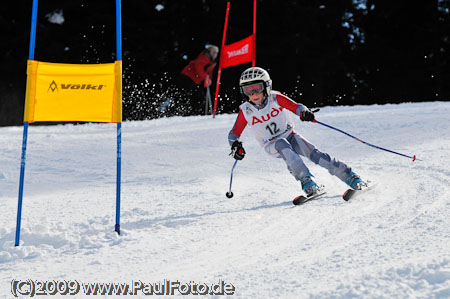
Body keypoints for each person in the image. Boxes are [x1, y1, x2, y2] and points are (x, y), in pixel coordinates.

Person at [227, 67, 367, 197]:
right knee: (282, 144)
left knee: (314, 154)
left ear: (266, 86)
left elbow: (295, 106)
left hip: (291, 136)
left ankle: (351, 176)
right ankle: (307, 182)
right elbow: (234, 133)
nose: (253, 94)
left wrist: (304, 112)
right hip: (271, 145)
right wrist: (235, 145)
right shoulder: (246, 110)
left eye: (257, 88)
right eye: (248, 90)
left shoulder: (275, 98)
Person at [177, 44, 219, 115]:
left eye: (216, 52)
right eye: (213, 51)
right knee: (189, 96)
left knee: (198, 97)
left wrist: (209, 80)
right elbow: (198, 67)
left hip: (195, 80)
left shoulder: (212, 62)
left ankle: (192, 113)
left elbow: (209, 73)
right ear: (209, 51)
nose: (215, 54)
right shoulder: (205, 57)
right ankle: (186, 112)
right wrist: (206, 77)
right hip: (188, 77)